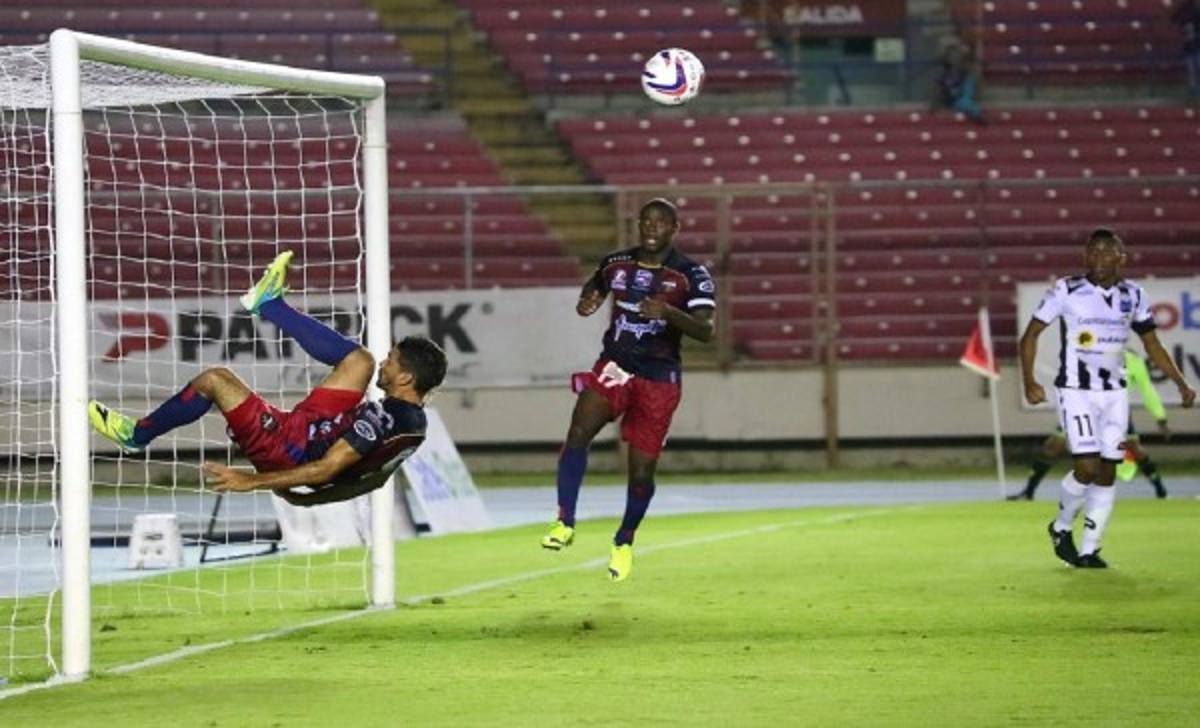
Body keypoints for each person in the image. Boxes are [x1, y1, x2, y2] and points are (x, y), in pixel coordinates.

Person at [88, 251, 447, 506]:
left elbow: (328, 467)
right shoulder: (412, 425)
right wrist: (311, 502)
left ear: (406, 378)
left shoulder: (385, 419)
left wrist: (252, 482)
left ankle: (135, 436)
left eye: (393, 361)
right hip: (314, 428)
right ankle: (268, 303)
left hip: (289, 449)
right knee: (360, 361)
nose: (386, 363)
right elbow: (376, 479)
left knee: (214, 380)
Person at [541, 198, 716, 582]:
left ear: (675, 228)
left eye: (661, 222)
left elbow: (706, 330)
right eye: (647, 221)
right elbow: (597, 284)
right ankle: (564, 522)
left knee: (640, 474)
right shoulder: (616, 263)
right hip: (616, 366)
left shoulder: (691, 275)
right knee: (578, 431)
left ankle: (624, 540)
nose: (652, 228)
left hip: (659, 380)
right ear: (639, 225)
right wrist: (588, 298)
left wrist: (669, 313)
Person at [1019, 228, 1195, 569]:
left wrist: (1180, 382)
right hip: (1076, 391)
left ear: (1120, 258)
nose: (1098, 258)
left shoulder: (1134, 295)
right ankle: (1060, 527)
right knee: (1086, 466)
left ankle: (1088, 549)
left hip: (1115, 394)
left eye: (1106, 252)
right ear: (1085, 256)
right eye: (1093, 252)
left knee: (1107, 472)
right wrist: (1029, 380)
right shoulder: (1067, 289)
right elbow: (1030, 335)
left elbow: (1152, 345)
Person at [1008, 349, 1173, 501]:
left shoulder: (1132, 361)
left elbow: (1147, 391)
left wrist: (1161, 418)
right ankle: (1029, 491)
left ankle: (1161, 491)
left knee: (1134, 448)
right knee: (1053, 445)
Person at [932, 43, 986, 125]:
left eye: (957, 56)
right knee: (968, 104)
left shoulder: (965, 74)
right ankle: (975, 112)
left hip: (963, 98)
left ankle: (975, 111)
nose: (955, 59)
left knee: (970, 82)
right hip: (952, 101)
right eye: (952, 56)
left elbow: (973, 83)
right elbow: (940, 92)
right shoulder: (944, 76)